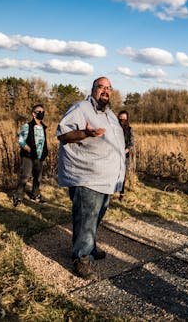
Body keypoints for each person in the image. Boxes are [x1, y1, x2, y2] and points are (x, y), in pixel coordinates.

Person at [56, 76, 125, 280]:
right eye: (101, 87)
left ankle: (89, 246)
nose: (105, 91)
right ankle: (81, 257)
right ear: (93, 89)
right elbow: (63, 134)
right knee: (86, 217)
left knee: (97, 215)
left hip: (106, 177)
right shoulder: (81, 108)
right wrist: (84, 134)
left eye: (108, 88)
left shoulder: (110, 114)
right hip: (87, 175)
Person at [13, 104, 49, 207]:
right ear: (33, 114)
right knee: (25, 177)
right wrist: (29, 149)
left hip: (40, 157)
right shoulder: (27, 126)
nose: (41, 113)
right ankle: (18, 197)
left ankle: (35, 195)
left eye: (43, 111)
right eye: (39, 111)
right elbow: (21, 140)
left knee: (38, 177)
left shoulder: (43, 127)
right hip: (28, 156)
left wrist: (45, 152)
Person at [117, 110, 135, 201]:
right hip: (114, 155)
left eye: (124, 118)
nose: (122, 120)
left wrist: (126, 150)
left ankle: (122, 193)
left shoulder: (130, 129)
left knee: (123, 175)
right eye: (120, 118)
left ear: (127, 119)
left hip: (125, 156)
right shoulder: (114, 128)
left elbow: (132, 143)